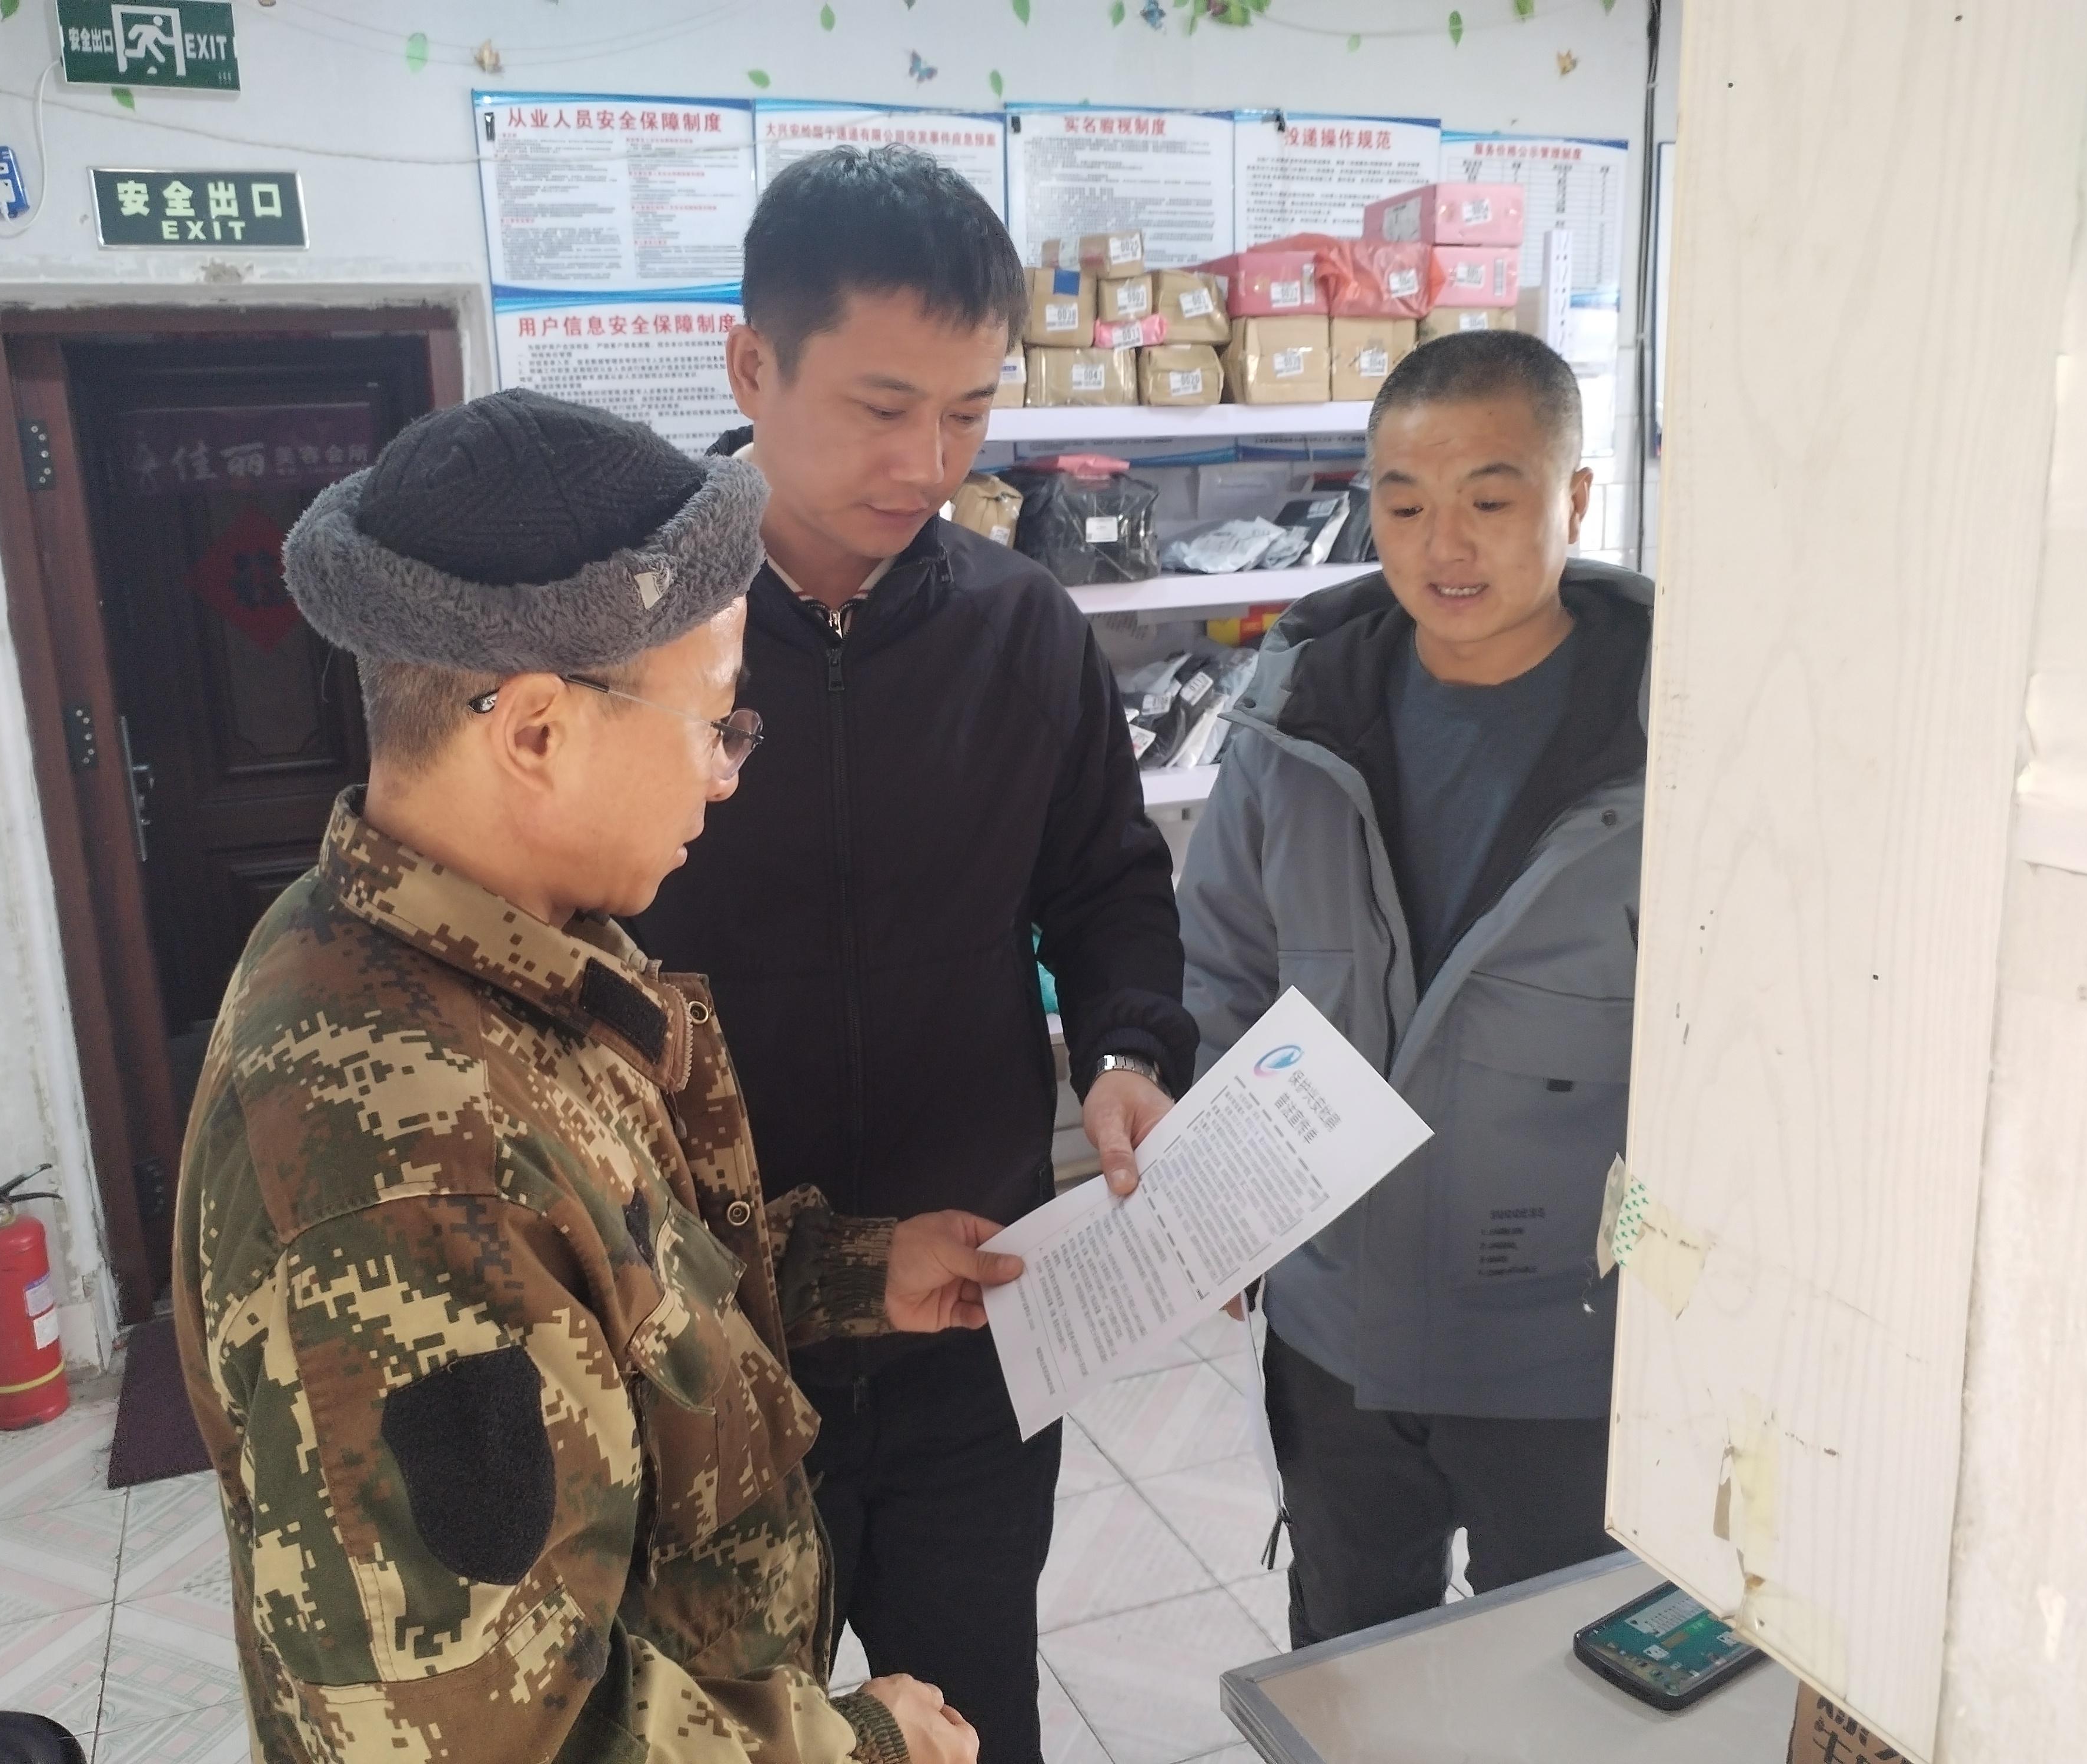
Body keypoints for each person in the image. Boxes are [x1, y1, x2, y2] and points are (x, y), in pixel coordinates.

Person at [173, 387, 1026, 1764]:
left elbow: (614, 1284)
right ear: (535, 732)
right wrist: (863, 1746)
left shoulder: (470, 954)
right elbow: (487, 1740)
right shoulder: (407, 1168)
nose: (726, 777)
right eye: (713, 724)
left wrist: (854, 1271)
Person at [629, 146, 1198, 1764]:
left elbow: (1105, 884)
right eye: (882, 408)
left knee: (970, 1719)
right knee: (746, 1734)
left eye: (968, 412)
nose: (928, 463)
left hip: (974, 1311)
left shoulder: (1022, 632)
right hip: (704, 1328)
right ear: (753, 367)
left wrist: (1128, 1052)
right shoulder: (633, 643)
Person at [1180, 330, 1651, 1645]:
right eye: (1402, 506)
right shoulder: (1300, 716)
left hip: (1568, 1348)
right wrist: (1216, 1197)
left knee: (1558, 1677)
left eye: (1490, 501)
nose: (1445, 546)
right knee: (1343, 1656)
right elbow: (1221, 967)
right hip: (1337, 1330)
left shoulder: (1672, 737)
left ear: (1574, 499)